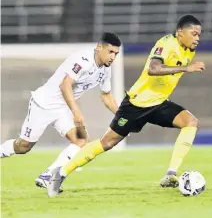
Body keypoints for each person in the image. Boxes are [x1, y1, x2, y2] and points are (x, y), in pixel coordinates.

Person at [48, 14, 206, 198]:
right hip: (136, 104)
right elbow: (153, 69)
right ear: (180, 32)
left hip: (159, 102)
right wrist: (186, 68)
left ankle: (171, 173)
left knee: (190, 122)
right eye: (194, 34)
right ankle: (60, 173)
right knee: (107, 142)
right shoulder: (166, 44)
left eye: (199, 35)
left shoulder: (188, 50)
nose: (197, 38)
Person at [0, 32, 121, 192]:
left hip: (62, 109)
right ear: (99, 48)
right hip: (43, 104)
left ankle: (48, 176)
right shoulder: (83, 60)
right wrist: (76, 111)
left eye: (116, 54)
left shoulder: (105, 69)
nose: (113, 57)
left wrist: (124, 116)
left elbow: (106, 96)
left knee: (81, 141)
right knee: (23, 146)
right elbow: (65, 85)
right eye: (110, 52)